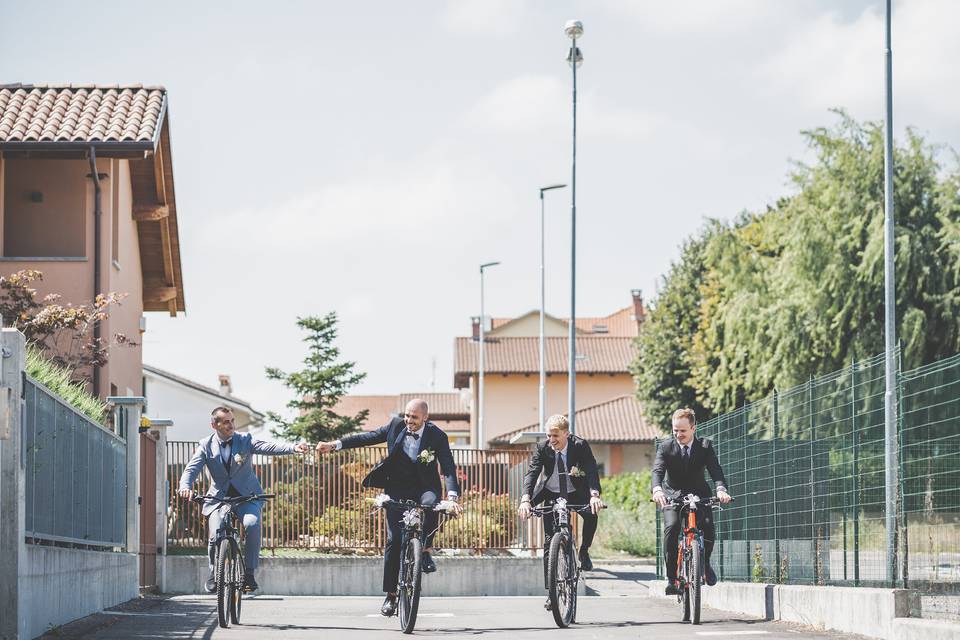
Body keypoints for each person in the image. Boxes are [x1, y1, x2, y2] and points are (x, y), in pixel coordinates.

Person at [316, 398, 461, 617]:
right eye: (407, 415)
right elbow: (367, 437)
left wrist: (452, 496)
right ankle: (391, 596)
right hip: (396, 487)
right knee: (393, 540)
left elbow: (448, 466)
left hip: (424, 487)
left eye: (414, 417)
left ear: (425, 418)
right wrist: (335, 445)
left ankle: (426, 549)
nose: (408, 420)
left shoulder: (437, 436)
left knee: (433, 506)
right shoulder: (395, 425)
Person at [178, 406, 309, 592]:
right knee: (215, 533)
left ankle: (249, 574)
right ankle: (215, 573)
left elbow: (268, 447)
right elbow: (191, 470)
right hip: (218, 499)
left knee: (252, 524)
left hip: (246, 497)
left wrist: (293, 448)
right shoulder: (205, 445)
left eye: (232, 421)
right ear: (214, 425)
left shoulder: (244, 440)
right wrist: (185, 487)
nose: (231, 425)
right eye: (226, 422)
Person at [517, 414, 604, 611]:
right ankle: (551, 593)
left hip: (576, 492)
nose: (552, 440)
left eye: (555, 435)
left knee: (592, 514)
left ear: (567, 434)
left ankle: (584, 551)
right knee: (549, 542)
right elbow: (532, 473)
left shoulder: (580, 445)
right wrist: (525, 499)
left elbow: (591, 470)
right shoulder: (543, 447)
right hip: (551, 492)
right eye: (549, 435)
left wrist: (594, 494)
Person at [652, 407, 732, 595]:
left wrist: (721, 489)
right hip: (672, 496)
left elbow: (715, 470)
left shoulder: (705, 446)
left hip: (699, 494)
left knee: (708, 526)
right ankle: (672, 578)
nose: (678, 434)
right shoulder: (665, 448)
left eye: (683, 431)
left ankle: (704, 564)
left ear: (693, 428)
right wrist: (657, 490)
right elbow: (657, 471)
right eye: (675, 430)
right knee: (671, 529)